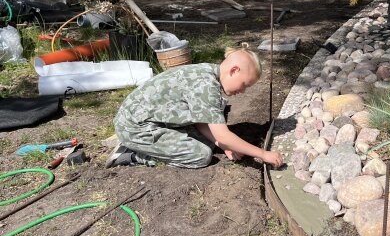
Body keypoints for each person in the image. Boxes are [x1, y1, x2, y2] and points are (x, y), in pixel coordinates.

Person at [108, 47, 283, 169]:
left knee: (209, 142)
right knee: (199, 155)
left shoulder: (208, 73)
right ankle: (132, 154)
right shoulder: (206, 86)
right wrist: (262, 154)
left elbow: (201, 123)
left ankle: (142, 146)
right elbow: (222, 135)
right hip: (135, 127)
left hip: (144, 119)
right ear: (234, 70)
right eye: (244, 84)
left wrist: (225, 145)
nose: (243, 91)